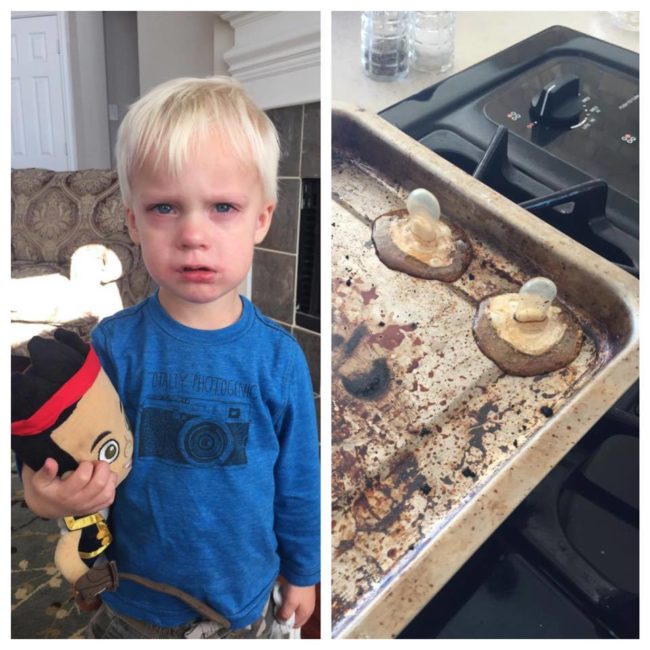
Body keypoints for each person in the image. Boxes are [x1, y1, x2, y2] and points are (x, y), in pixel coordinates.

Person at [20, 76, 320, 639]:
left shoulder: (279, 359)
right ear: (133, 221)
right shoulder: (111, 346)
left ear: (262, 219)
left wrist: (303, 574)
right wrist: (42, 490)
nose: (193, 234)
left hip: (242, 603)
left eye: (223, 206)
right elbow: (63, 442)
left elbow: (298, 482)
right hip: (134, 599)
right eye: (165, 207)